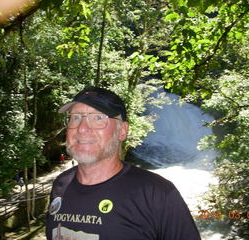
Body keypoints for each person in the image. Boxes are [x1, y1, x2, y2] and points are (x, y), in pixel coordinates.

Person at [45, 87, 201, 240]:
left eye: (98, 118)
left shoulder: (157, 194)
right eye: (76, 117)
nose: (82, 128)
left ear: (122, 131)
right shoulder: (60, 185)